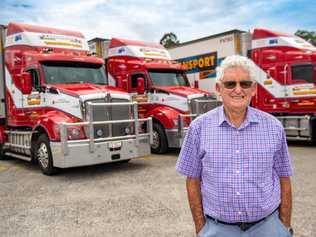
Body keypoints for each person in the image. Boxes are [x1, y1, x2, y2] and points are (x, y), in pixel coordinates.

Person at [176, 55, 293, 237]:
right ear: (218, 89)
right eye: (230, 84)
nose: (238, 90)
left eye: (245, 84)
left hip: (268, 228)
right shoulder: (198, 128)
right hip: (217, 229)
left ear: (253, 89)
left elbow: (284, 177)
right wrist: (201, 228)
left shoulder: (274, 127)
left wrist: (283, 226)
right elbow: (192, 180)